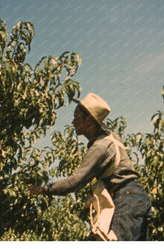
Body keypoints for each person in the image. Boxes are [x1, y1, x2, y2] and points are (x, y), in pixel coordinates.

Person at [29, 93, 152, 241]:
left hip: (126, 198)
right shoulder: (111, 137)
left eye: (77, 117)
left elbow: (75, 182)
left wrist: (43, 189)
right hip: (138, 198)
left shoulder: (100, 146)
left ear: (89, 120)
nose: (73, 122)